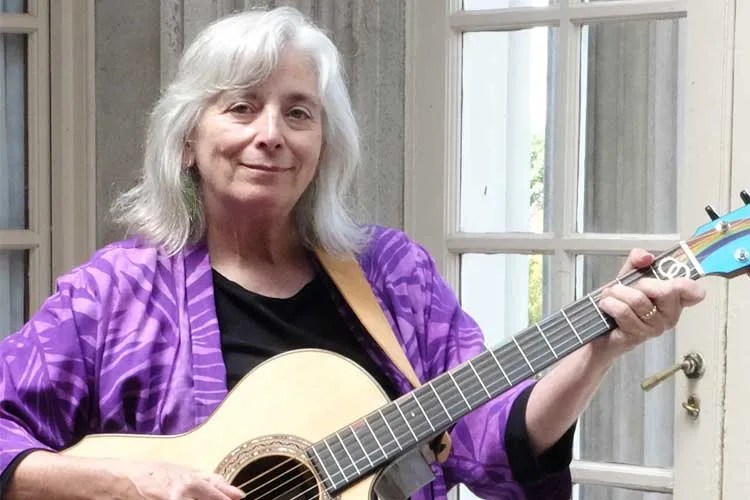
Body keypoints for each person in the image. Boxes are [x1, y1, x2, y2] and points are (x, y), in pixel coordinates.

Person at [0, 7, 704, 500]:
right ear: (188, 139)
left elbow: (489, 445)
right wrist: (126, 482)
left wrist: (599, 349)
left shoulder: (393, 277)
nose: (270, 134)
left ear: (324, 145)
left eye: (298, 112)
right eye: (241, 107)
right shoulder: (116, 293)